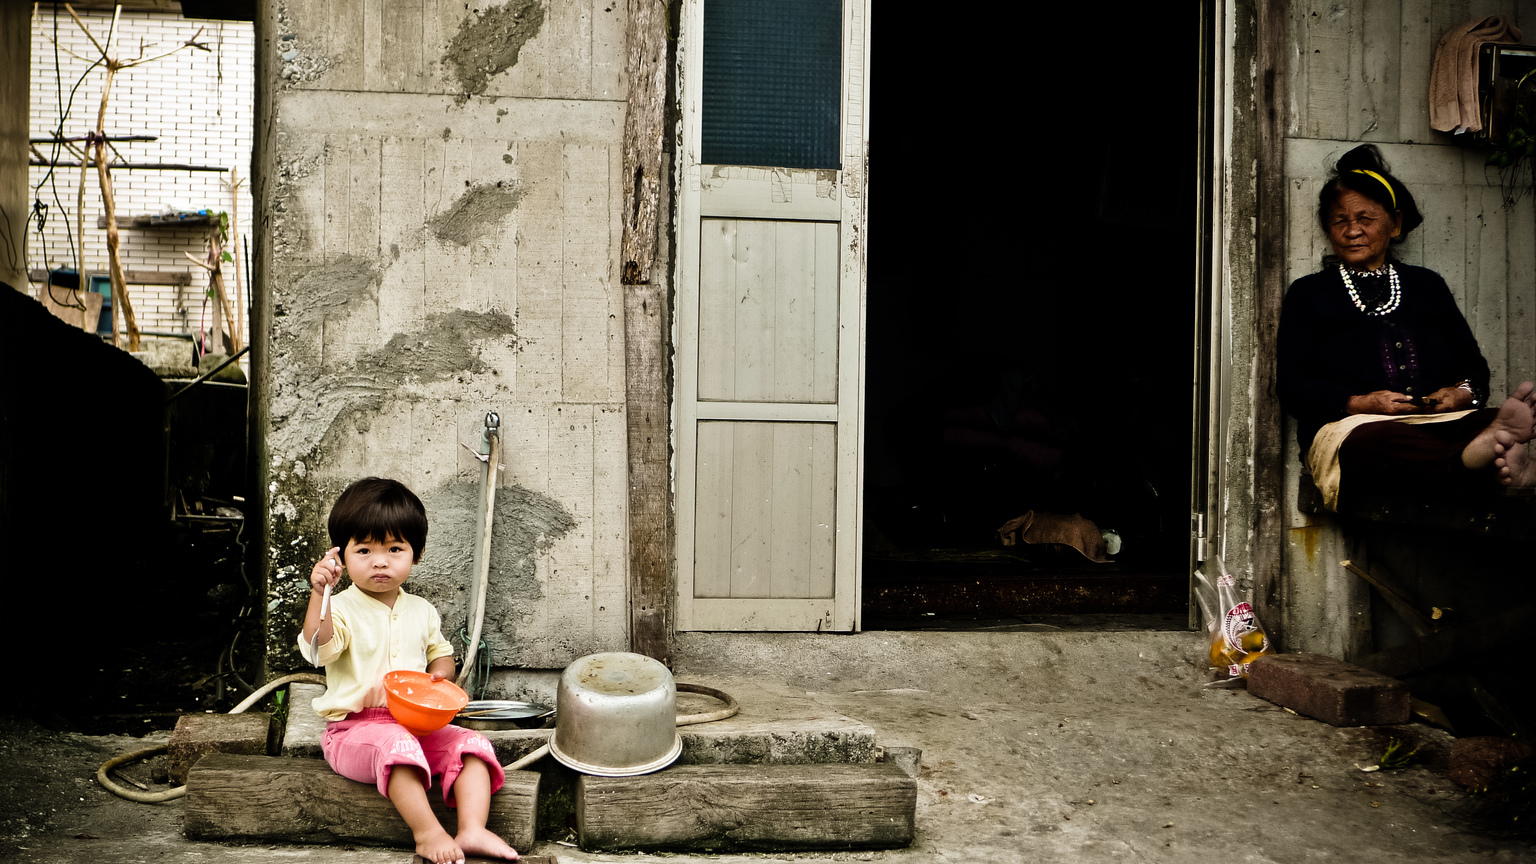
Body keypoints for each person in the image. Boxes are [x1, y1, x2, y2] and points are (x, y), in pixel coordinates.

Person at [1277, 144, 1536, 511]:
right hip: (1356, 428)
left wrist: (1462, 394)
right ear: (1328, 228)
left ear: (1394, 224)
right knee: (1381, 441)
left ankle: (1481, 452)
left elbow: (1473, 367)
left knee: (1488, 419)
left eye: (1365, 219)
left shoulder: (1426, 286)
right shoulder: (1309, 294)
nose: (1352, 231)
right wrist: (1359, 402)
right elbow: (1291, 386)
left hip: (1440, 421)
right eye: (1340, 221)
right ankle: (1475, 463)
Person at [299, 477, 518, 864]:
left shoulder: (422, 610)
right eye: (364, 549)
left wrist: (440, 677)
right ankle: (428, 833)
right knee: (395, 746)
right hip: (354, 731)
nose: (380, 561)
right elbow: (319, 650)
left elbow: (442, 657)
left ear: (416, 555)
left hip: (416, 726)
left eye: (394, 549)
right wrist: (321, 595)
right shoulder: (343, 606)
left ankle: (473, 829)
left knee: (473, 746)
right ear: (341, 557)